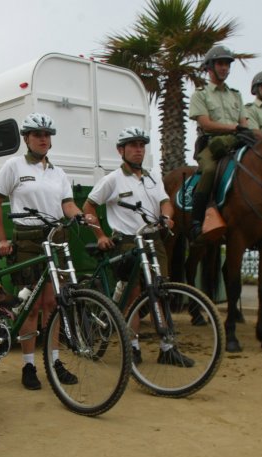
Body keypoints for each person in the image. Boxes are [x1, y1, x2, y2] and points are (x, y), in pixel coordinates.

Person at [0, 113, 91, 390]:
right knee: (32, 306)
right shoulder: (14, 166)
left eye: (47, 135)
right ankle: (29, 365)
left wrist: (80, 215)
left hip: (55, 236)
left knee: (52, 304)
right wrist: (1, 239)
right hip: (27, 238)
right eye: (37, 134)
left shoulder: (58, 173)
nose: (43, 139)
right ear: (26, 138)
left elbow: (67, 204)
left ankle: (55, 361)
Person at [82, 127, 193, 367]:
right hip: (127, 242)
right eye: (132, 145)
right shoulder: (112, 179)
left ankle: (168, 349)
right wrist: (100, 235)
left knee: (159, 292)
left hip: (154, 241)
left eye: (141, 145)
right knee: (133, 296)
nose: (138, 149)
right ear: (121, 150)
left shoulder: (153, 177)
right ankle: (132, 348)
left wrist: (166, 216)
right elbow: (88, 207)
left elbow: (165, 202)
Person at [188, 45, 249, 242]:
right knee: (209, 171)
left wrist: (244, 132)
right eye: (220, 64)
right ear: (209, 67)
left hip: (236, 142)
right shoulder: (200, 94)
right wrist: (234, 128)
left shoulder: (236, 95)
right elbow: (205, 123)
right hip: (210, 145)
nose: (224, 68)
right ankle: (196, 222)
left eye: (227, 64)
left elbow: (244, 124)